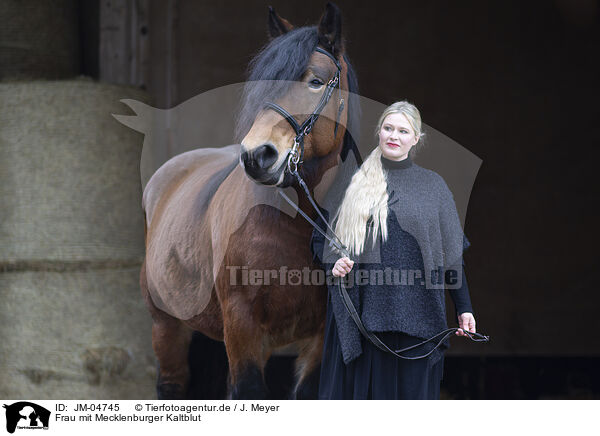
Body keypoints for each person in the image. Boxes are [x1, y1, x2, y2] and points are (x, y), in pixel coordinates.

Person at [310, 101, 477, 400]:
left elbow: (452, 255)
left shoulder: (433, 186)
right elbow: (321, 238)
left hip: (420, 321)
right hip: (366, 322)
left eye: (403, 131)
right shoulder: (351, 182)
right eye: (388, 128)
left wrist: (464, 308)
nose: (394, 136)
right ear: (379, 132)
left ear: (416, 138)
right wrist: (333, 263)